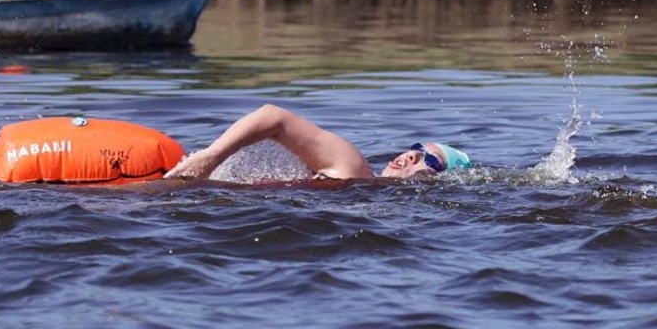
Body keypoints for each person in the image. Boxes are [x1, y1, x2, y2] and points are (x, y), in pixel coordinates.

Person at [164, 104, 471, 181]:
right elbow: (274, 117)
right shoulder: (352, 167)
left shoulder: (359, 184)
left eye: (429, 160)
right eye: (416, 149)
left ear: (435, 182)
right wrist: (212, 157)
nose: (411, 157)